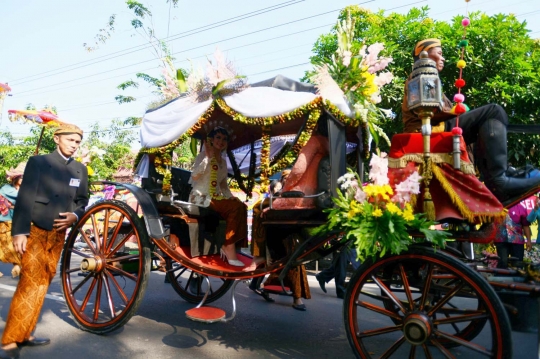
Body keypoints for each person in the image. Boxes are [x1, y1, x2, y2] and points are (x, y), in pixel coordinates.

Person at [402, 38, 540, 203]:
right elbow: (427, 110)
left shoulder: (429, 78)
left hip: (437, 126)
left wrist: (452, 111)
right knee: (494, 111)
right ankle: (498, 180)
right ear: (424, 55)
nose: (444, 58)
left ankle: (497, 177)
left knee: (485, 121)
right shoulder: (420, 75)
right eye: (439, 53)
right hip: (428, 129)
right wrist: (453, 111)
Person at [0, 124, 88, 359]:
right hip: (36, 229)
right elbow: (25, 196)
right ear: (57, 139)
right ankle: (11, 339)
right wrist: (19, 232)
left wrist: (75, 216)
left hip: (59, 234)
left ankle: (26, 334)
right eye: (70, 140)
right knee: (30, 282)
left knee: (43, 282)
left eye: (78, 141)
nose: (74, 144)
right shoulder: (39, 162)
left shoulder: (80, 170)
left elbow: (82, 201)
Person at [188, 127, 247, 267]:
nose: (221, 141)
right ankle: (228, 246)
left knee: (241, 206)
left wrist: (231, 197)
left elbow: (223, 186)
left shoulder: (223, 162)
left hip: (215, 198)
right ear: (211, 140)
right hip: (199, 197)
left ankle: (235, 246)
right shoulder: (202, 156)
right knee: (234, 208)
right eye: (218, 138)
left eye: (224, 139)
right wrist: (207, 158)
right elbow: (195, 176)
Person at [0, 162, 26, 278]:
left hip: (18, 220)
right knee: (6, 245)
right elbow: (21, 198)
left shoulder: (25, 190)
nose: (23, 179)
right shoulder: (7, 188)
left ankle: (17, 266)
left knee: (17, 245)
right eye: (22, 176)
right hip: (5, 220)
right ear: (16, 177)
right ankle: (16, 265)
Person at [494, 202, 532, 269]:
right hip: (501, 240)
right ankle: (501, 278)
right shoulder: (496, 207)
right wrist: (491, 238)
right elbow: (491, 224)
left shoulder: (520, 208)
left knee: (517, 264)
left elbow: (526, 226)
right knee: (502, 263)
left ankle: (517, 279)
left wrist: (529, 240)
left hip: (517, 241)